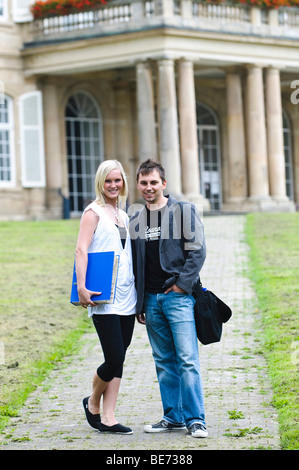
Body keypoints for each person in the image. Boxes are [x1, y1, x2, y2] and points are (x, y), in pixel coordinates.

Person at [130, 158, 208, 438]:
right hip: (150, 300)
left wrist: (181, 287)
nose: (148, 187)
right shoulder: (135, 216)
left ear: (163, 183)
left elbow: (197, 251)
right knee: (163, 360)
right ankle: (173, 417)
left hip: (178, 297)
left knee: (187, 358)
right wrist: (139, 303)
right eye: (143, 183)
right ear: (138, 185)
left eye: (154, 182)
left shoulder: (183, 211)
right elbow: (135, 262)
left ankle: (196, 419)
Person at [75, 159, 137, 435]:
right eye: (108, 180)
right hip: (103, 296)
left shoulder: (122, 215)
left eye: (118, 180)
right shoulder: (93, 212)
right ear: (101, 182)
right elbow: (81, 250)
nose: (113, 185)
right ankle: (93, 401)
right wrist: (81, 287)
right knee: (112, 357)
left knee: (120, 358)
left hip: (128, 295)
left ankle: (109, 417)